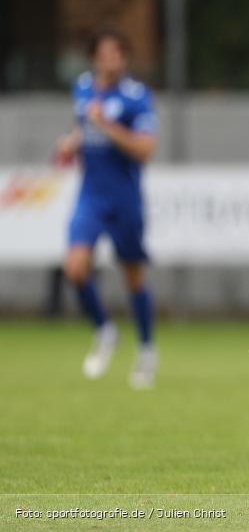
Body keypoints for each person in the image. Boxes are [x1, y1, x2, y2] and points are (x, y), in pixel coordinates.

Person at [56, 29, 159, 389]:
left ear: (124, 58)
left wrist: (105, 125)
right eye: (104, 53)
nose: (110, 60)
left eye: (116, 53)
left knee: (133, 277)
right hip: (90, 197)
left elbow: (145, 150)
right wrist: (71, 143)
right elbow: (81, 131)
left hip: (125, 199)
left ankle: (146, 351)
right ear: (94, 58)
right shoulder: (82, 89)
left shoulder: (136, 98)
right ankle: (104, 329)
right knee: (75, 268)